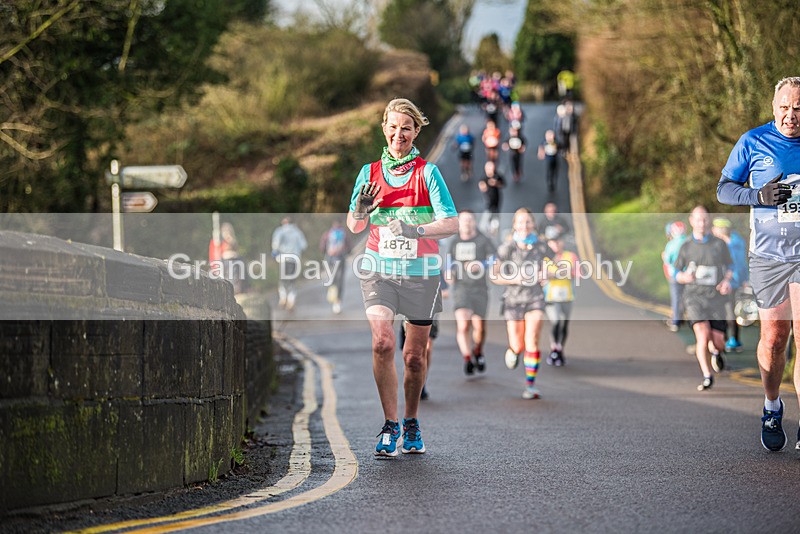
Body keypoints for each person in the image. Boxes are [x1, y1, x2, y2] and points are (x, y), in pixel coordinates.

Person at [347, 98, 458, 457]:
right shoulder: (369, 172)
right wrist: (360, 210)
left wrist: (415, 228)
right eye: (393, 127)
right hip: (379, 269)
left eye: (406, 128)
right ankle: (389, 425)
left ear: (415, 132)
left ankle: (411, 421)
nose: (399, 134)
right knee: (382, 343)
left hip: (420, 274)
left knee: (413, 356)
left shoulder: (428, 174)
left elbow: (452, 223)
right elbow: (354, 225)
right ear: (384, 128)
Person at [716, 76, 800, 452]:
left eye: (798, 108)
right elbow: (724, 188)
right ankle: (771, 406)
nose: (791, 115)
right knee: (774, 339)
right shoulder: (753, 141)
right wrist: (759, 195)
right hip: (768, 257)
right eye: (784, 107)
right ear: (773, 107)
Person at [492, 208, 550, 399]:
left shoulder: (542, 246)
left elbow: (555, 264)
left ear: (533, 224)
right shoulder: (507, 248)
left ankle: (530, 386)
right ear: (515, 225)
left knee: (532, 339)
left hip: (535, 298)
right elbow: (494, 275)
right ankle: (514, 351)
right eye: (520, 222)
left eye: (527, 222)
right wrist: (515, 278)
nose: (524, 226)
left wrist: (547, 274)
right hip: (514, 299)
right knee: (517, 345)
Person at [673, 206, 733, 392]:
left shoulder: (719, 244)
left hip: (715, 297)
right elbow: (675, 272)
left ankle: (716, 352)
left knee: (718, 341)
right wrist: (683, 277)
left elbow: (730, 267)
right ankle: (707, 376)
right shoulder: (686, 246)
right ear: (692, 221)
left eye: (705, 219)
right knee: (702, 335)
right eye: (698, 219)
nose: (702, 223)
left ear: (709, 220)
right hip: (693, 297)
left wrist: (726, 281)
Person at [446, 210, 495, 375]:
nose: (466, 223)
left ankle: (478, 351)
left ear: (474, 222)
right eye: (463, 220)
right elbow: (448, 261)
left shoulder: (483, 240)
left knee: (479, 328)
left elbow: (495, 258)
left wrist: (481, 265)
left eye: (469, 220)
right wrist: (449, 272)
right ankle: (467, 358)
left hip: (479, 288)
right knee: (463, 324)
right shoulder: (454, 241)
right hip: (461, 288)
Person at [711, 217, 748, 351]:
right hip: (728, 281)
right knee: (728, 310)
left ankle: (729, 339)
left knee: (727, 311)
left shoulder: (731, 243)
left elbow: (739, 263)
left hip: (729, 282)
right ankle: (730, 339)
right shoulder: (737, 241)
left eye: (715, 228)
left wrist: (743, 279)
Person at [543, 228, 579, 366]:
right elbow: (543, 274)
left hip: (567, 296)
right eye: (552, 241)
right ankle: (554, 348)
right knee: (556, 321)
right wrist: (563, 273)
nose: (556, 244)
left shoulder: (570, 256)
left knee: (564, 324)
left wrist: (557, 274)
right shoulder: (545, 258)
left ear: (562, 242)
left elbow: (577, 273)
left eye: (558, 241)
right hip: (551, 296)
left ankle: (560, 349)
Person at [271, 216, 307, 311]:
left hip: (283, 258)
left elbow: (276, 244)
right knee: (292, 280)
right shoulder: (297, 232)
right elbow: (304, 245)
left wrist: (275, 251)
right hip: (294, 259)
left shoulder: (280, 231)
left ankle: (283, 297)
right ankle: (291, 300)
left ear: (284, 222)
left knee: (282, 279)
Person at [320, 219, 351, 314]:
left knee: (331, 278)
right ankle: (338, 302)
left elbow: (322, 247)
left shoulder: (328, 233)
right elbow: (349, 248)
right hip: (341, 259)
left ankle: (332, 294)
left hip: (330, 259)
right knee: (340, 280)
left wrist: (326, 252)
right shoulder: (344, 234)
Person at [662, 221, 687, 332]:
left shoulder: (671, 245)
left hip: (675, 275)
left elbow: (667, 260)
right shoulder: (689, 241)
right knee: (687, 297)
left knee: (676, 297)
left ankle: (676, 321)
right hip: (688, 274)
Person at [477, 160, 505, 237]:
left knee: (496, 216)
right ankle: (484, 232)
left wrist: (496, 183)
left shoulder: (497, 176)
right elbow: (481, 185)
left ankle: (494, 231)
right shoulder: (484, 178)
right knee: (487, 215)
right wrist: (484, 185)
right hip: (488, 202)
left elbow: (503, 184)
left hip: (497, 200)